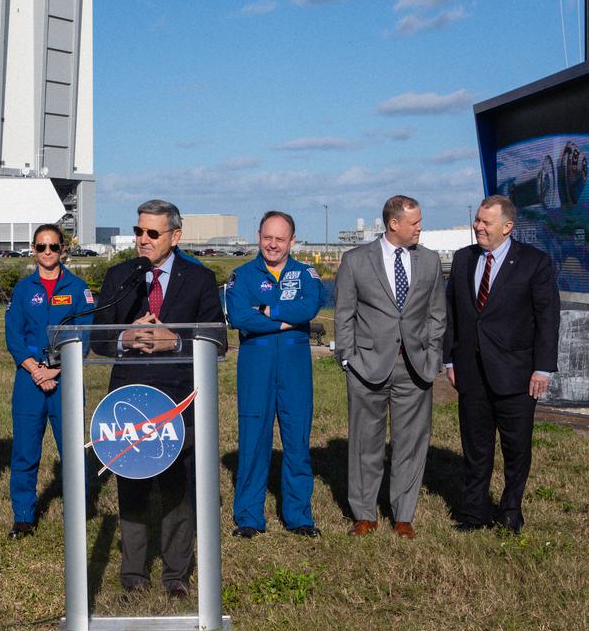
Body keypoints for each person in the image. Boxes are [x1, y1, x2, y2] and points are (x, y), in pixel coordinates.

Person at [93, 199, 226, 599]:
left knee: (177, 490)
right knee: (132, 484)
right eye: (138, 231)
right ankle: (133, 575)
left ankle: (175, 576)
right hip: (129, 398)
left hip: (177, 398)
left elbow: (218, 340)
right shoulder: (120, 276)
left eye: (152, 233)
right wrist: (123, 337)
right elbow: (97, 337)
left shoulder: (199, 279)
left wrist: (176, 340)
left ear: (175, 236)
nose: (142, 240)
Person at [445, 195, 560, 533]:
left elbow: (548, 318)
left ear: (507, 227)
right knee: (476, 449)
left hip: (517, 374)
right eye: (478, 220)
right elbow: (453, 312)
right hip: (471, 372)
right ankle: (473, 513)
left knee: (515, 449)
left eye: (486, 222)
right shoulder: (464, 259)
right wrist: (450, 357)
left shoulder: (534, 263)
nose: (478, 226)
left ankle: (511, 513)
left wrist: (543, 368)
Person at [336, 195, 446, 540]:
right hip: (366, 366)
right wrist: (348, 358)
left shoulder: (429, 261)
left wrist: (431, 354)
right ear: (393, 224)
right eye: (414, 223)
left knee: (411, 443)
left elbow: (437, 314)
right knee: (365, 443)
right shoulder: (355, 261)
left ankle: (403, 516)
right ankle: (365, 514)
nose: (420, 228)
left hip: (414, 368)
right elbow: (344, 314)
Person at [226, 211, 324, 538]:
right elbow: (240, 317)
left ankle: (298, 515)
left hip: (295, 368)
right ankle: (249, 517)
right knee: (254, 439)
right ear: (258, 236)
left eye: (280, 239)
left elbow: (309, 308)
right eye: (268, 237)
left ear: (292, 241)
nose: (273, 244)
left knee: (296, 440)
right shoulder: (242, 276)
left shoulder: (306, 274)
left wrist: (270, 311)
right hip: (256, 366)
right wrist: (285, 320)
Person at [3, 224, 94, 539]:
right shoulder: (23, 289)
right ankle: (24, 517)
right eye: (41, 247)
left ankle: (77, 513)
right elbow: (13, 335)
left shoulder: (78, 288)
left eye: (53, 247)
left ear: (63, 250)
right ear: (33, 250)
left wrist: (55, 370)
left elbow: (85, 334)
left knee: (71, 450)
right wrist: (34, 369)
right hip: (29, 380)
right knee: (26, 451)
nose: (47, 253)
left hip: (65, 378)